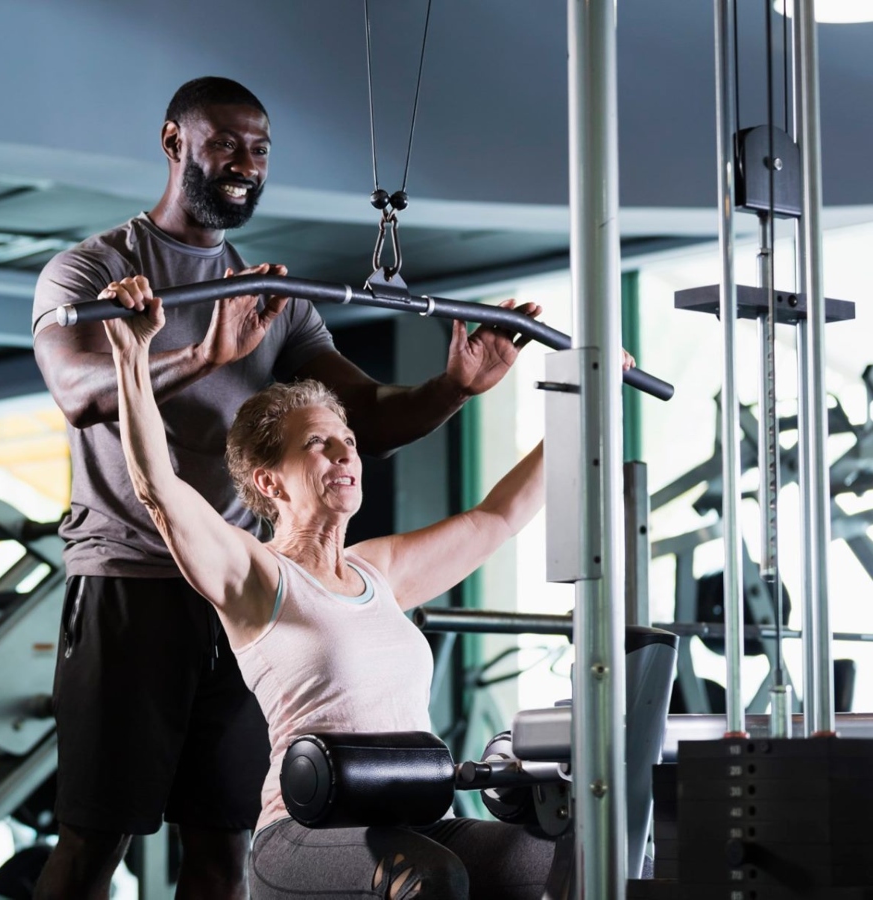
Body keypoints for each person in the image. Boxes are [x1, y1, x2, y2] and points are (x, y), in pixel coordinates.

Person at [31, 76, 541, 900]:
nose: (244, 163)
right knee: (96, 838)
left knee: (223, 841)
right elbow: (78, 389)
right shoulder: (95, 270)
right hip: (131, 580)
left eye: (259, 149)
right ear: (174, 143)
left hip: (254, 597)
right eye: (225, 143)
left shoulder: (274, 303)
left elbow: (365, 418)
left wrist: (453, 388)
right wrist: (201, 355)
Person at [102, 294, 631, 898]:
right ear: (270, 481)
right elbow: (158, 489)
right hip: (306, 835)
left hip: (418, 822)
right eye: (318, 443)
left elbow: (498, 519)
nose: (344, 452)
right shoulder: (256, 577)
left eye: (347, 439)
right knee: (430, 880)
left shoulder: (378, 571)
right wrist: (130, 352)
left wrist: (587, 407)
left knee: (567, 862)